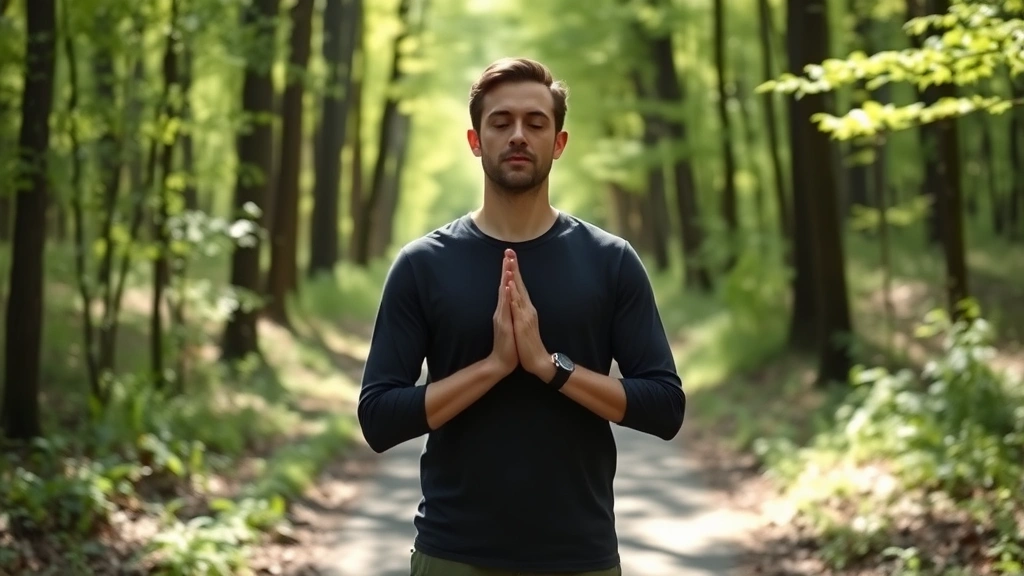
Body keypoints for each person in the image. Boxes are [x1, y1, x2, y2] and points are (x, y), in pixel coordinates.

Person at [357, 57, 686, 576]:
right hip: (452, 555)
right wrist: (492, 366)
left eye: (535, 123)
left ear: (558, 143)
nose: (518, 135)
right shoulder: (423, 264)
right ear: (474, 140)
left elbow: (665, 407)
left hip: (580, 556)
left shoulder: (609, 260)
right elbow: (378, 418)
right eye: (501, 122)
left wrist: (550, 367)